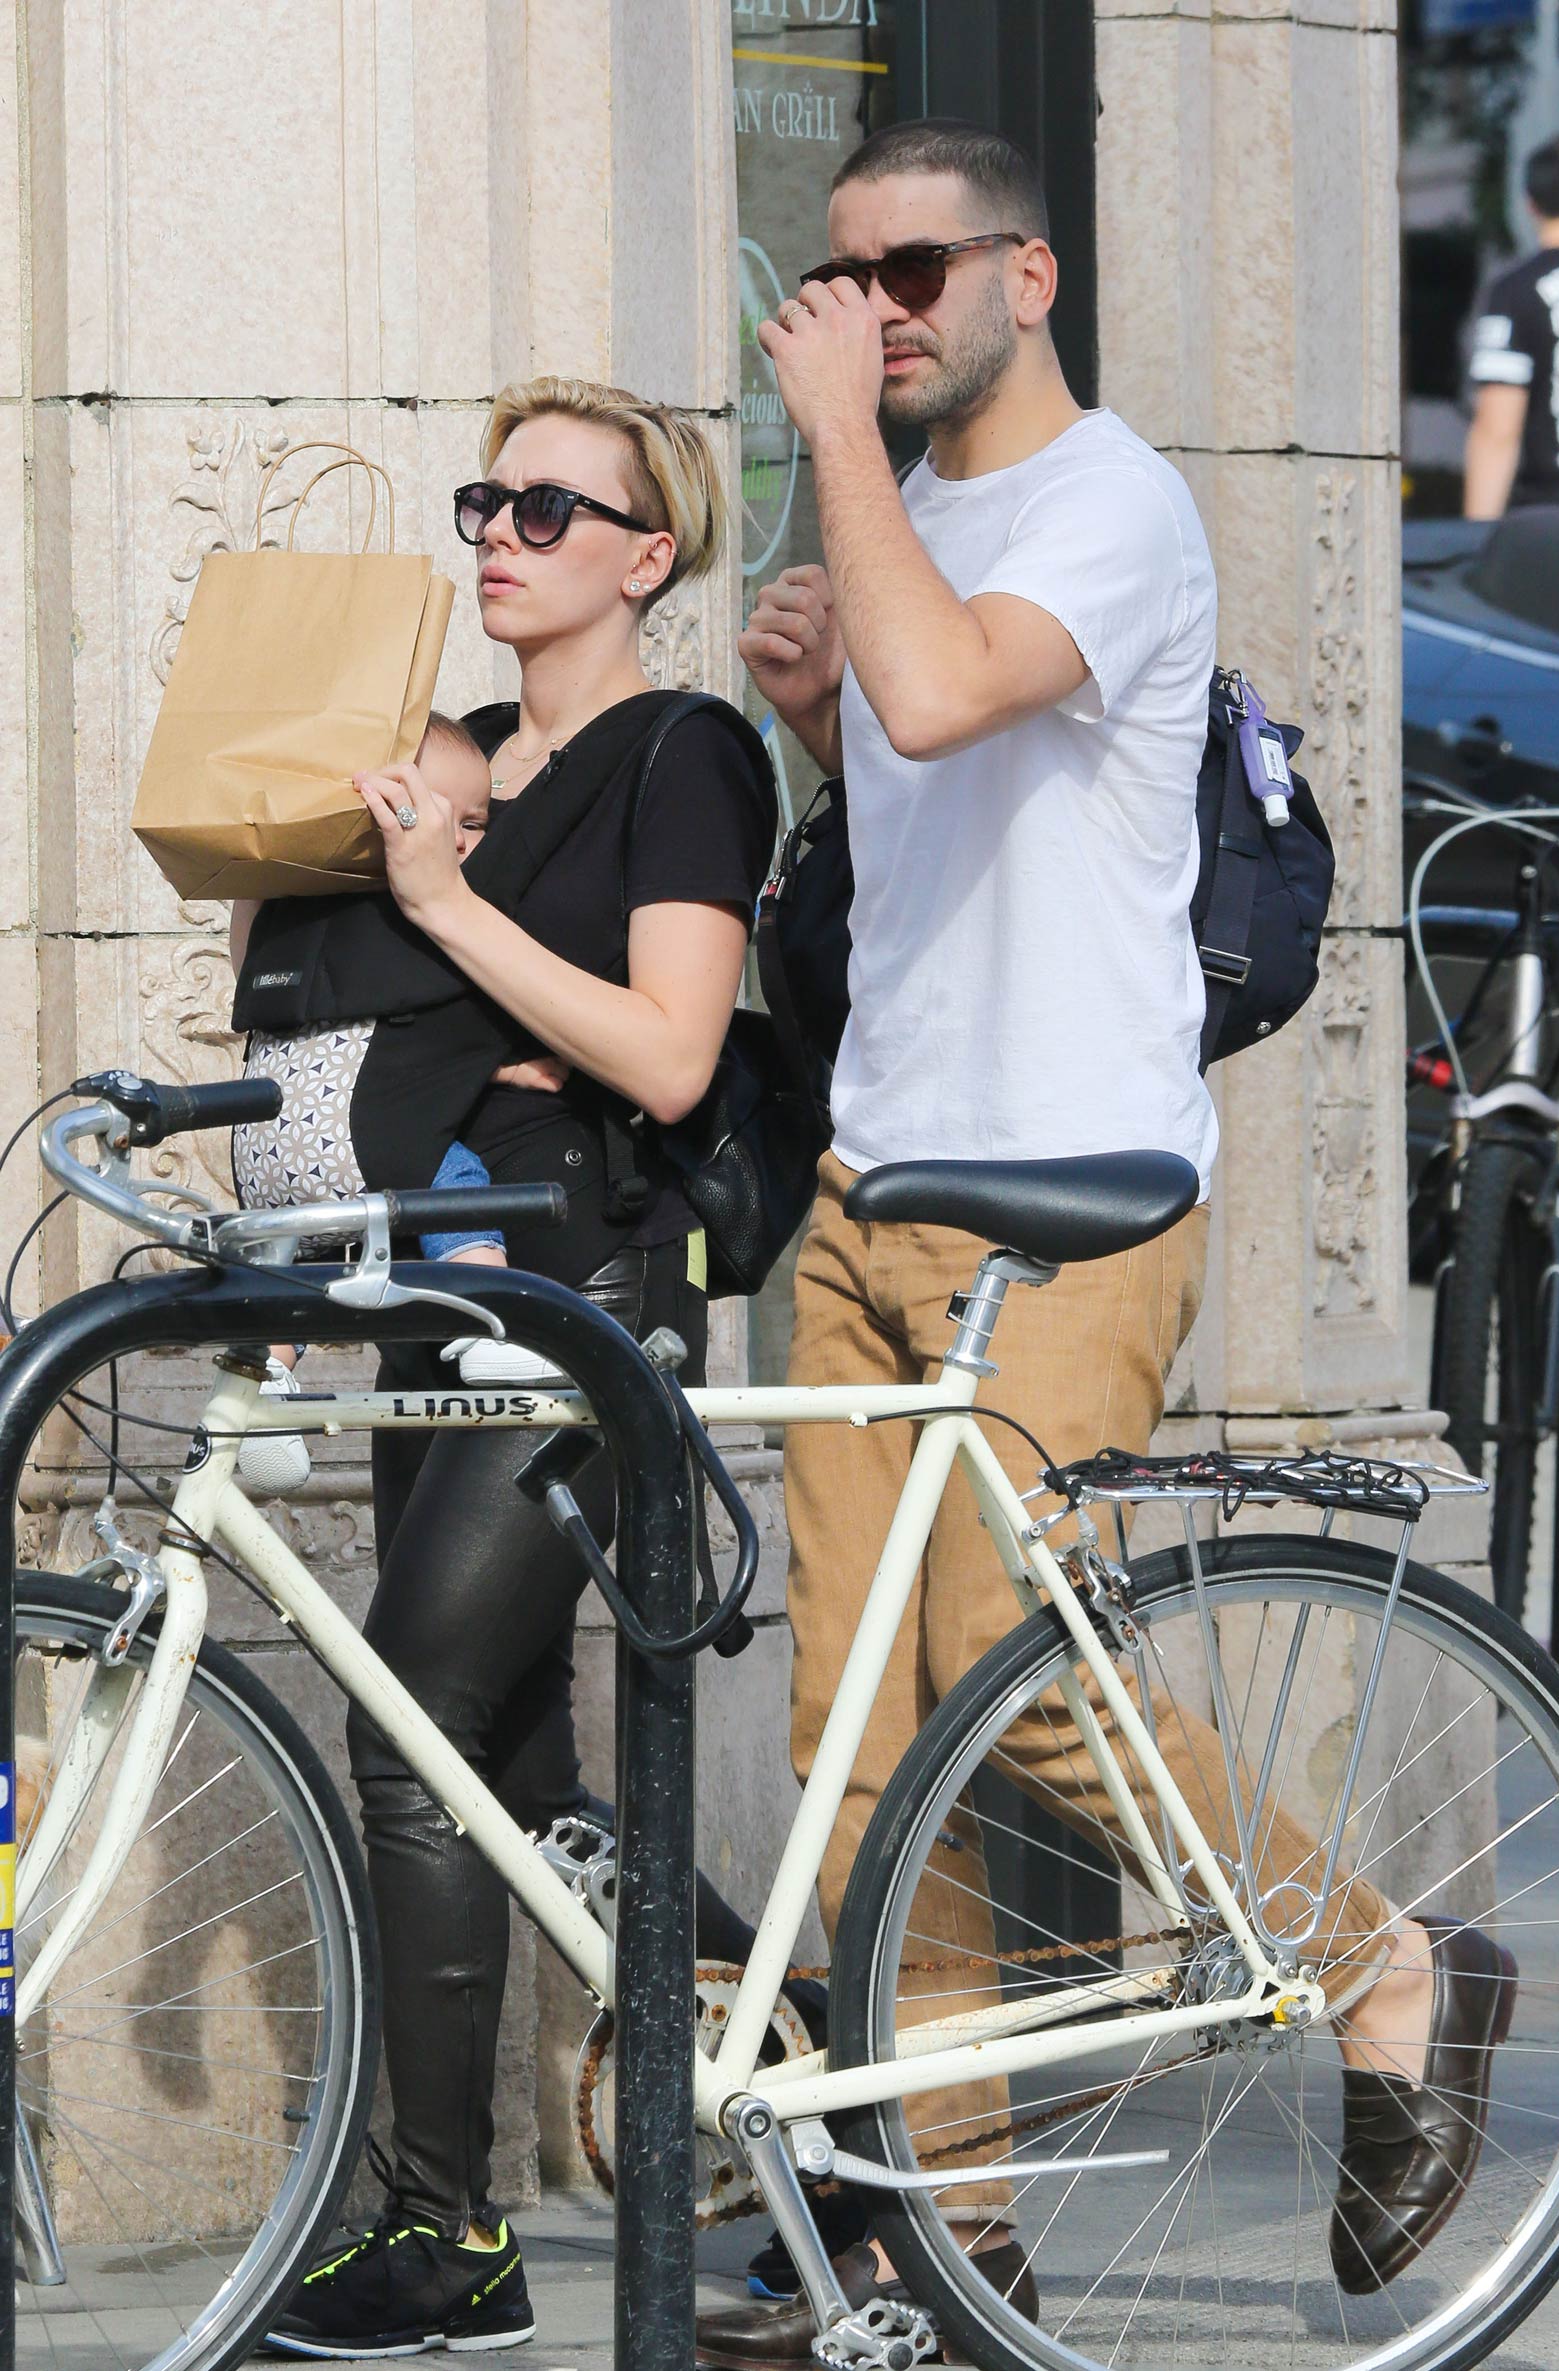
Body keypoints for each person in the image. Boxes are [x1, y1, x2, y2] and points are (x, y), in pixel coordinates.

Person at [694, 120, 1517, 2367]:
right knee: (865, 1759)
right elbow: (935, 793)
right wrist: (805, 713)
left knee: (1017, 1682)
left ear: (1025, 276)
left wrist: (839, 478)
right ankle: (938, 2237)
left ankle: (1377, 1965)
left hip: (1064, 1191)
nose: (872, 310)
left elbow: (959, 688)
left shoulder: (1113, 502)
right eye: (844, 277)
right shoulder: (921, 516)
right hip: (878, 1177)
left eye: (912, 271)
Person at [260, 375, 779, 2359]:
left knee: (405, 1731)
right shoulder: (457, 757)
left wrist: (448, 905)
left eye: (552, 510)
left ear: (649, 555)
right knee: (522, 1772)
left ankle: (445, 2234)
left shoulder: (683, 754)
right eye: (488, 499)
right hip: (439, 1292)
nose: (501, 533)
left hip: (580, 1301)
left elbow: (663, 1056)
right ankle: (822, 2053)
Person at [230, 713, 564, 1493]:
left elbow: (252, 976)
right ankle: (490, 1320)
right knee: (456, 1186)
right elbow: (454, 1036)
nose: (464, 841)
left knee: (286, 1267)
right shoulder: (423, 917)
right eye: (456, 820)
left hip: (269, 1158)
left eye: (478, 823)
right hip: (374, 1146)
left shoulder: (307, 918)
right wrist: (514, 1066)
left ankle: (261, 1384)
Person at [1464, 133, 1559, 519]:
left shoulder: (1514, 291)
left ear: (1531, 204)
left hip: (1555, 526)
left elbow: (1497, 429)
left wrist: (1477, 541)